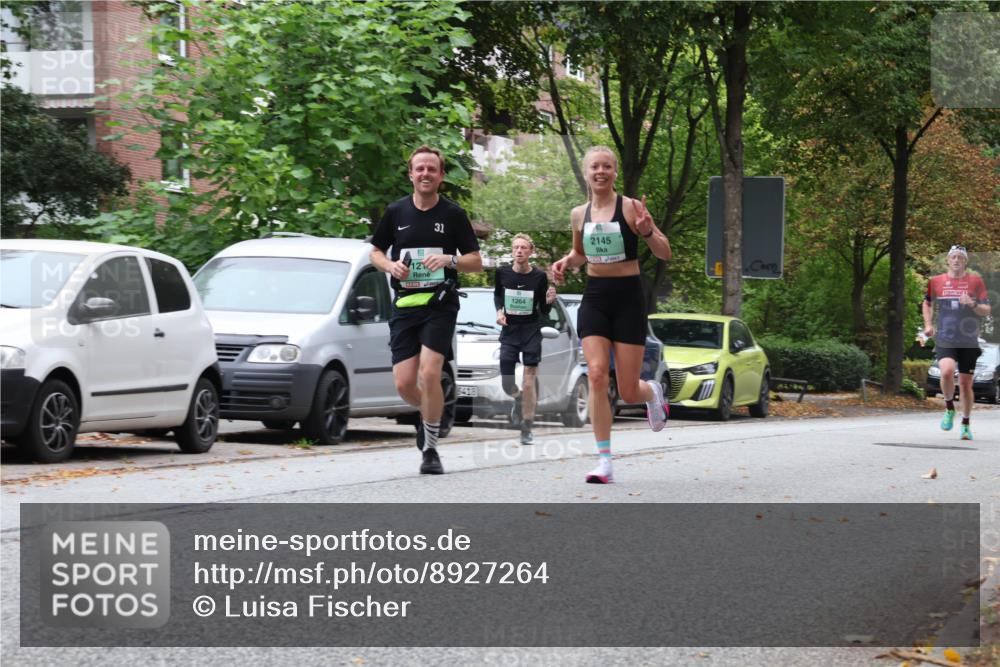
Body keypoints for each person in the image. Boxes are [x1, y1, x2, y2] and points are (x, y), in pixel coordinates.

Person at [551, 145, 672, 483]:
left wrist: (647, 230)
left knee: (629, 390)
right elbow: (578, 254)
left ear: (615, 172)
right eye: (594, 167)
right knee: (598, 374)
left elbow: (665, 252)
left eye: (607, 166)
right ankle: (604, 461)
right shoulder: (579, 214)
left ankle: (652, 393)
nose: (600, 171)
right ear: (587, 173)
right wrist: (564, 262)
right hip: (596, 298)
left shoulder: (631, 207)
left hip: (629, 299)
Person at [371, 145, 483, 474]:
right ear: (411, 174)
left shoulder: (453, 214)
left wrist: (449, 260)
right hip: (405, 305)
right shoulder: (396, 212)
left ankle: (430, 450)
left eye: (431, 169)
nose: (425, 174)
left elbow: (476, 261)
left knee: (430, 372)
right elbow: (374, 253)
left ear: (441, 176)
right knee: (405, 383)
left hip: (439, 303)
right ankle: (431, 412)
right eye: (419, 169)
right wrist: (390, 266)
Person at [922, 245, 991, 441]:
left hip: (968, 339)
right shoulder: (936, 282)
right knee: (945, 371)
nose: (956, 260)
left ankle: (966, 423)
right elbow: (927, 302)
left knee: (965, 382)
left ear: (965, 261)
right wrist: (928, 324)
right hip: (946, 337)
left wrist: (973, 304)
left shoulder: (976, 282)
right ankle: (950, 407)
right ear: (948, 260)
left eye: (961, 257)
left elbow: (987, 310)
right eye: (953, 257)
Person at [494, 233, 558, 445]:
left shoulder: (539, 277)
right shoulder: (501, 272)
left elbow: (544, 309)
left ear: (530, 252)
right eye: (516, 248)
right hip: (510, 332)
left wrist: (549, 301)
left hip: (531, 331)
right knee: (507, 383)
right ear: (512, 251)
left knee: (529, 382)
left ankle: (526, 428)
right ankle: (517, 398)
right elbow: (497, 296)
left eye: (523, 247)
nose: (519, 251)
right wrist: (499, 312)